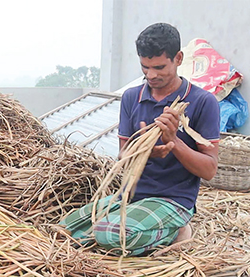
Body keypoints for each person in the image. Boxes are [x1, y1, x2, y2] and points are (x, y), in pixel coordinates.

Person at [61, 23, 220, 256]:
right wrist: (141, 149)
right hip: (132, 196)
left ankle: (177, 232)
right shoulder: (131, 98)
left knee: (108, 235)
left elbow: (209, 170)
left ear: (178, 58)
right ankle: (126, 225)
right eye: (145, 67)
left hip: (173, 200)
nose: (151, 75)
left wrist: (173, 140)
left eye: (159, 67)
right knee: (65, 229)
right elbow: (123, 157)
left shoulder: (203, 102)